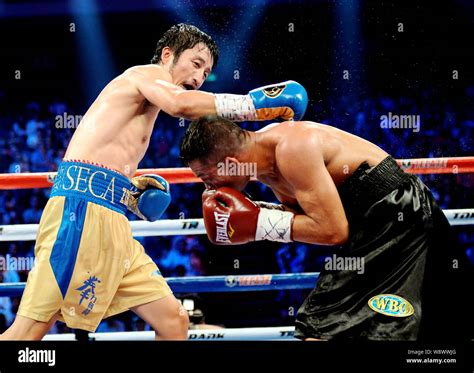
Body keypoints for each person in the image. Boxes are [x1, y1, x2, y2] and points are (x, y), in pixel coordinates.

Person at [0, 24, 307, 341]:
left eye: (207, 72)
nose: (200, 77)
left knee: (174, 322)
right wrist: (254, 105)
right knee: (28, 332)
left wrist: (130, 192)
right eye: (196, 64)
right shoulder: (144, 75)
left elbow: (105, 158)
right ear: (168, 55)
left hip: (112, 223)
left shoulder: (146, 103)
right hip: (80, 213)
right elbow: (181, 106)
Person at [179, 114, 471, 341]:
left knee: (324, 322)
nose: (207, 187)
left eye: (206, 176)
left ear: (231, 163)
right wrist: (260, 214)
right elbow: (307, 218)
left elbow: (332, 231)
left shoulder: (291, 149)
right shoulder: (264, 165)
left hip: (396, 216)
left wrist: (258, 223)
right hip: (373, 223)